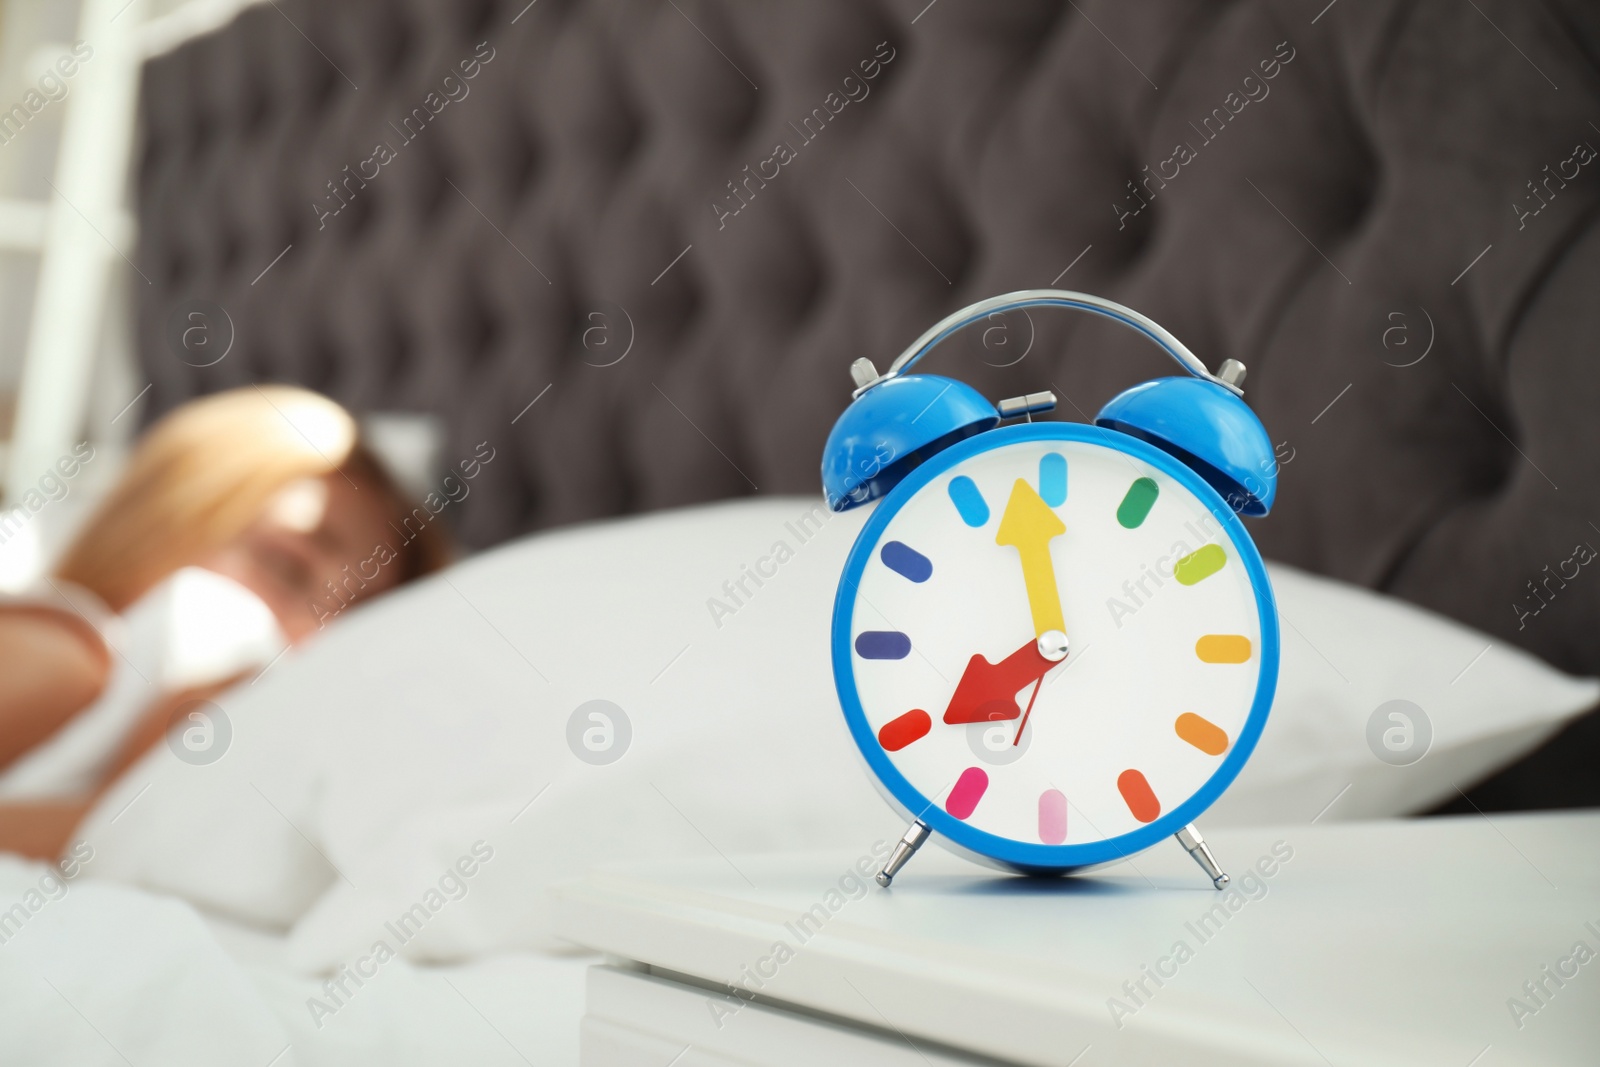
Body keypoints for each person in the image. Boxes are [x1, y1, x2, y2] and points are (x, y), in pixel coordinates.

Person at [0, 386, 448, 858]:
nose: (303, 639)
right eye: (287, 569)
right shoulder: (66, 657)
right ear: (167, 507)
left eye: (348, 622)